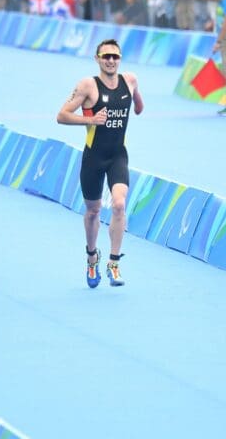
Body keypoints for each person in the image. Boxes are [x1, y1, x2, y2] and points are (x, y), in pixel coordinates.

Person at [56, 39, 144, 288]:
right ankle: (92, 257)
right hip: (94, 157)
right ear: (97, 59)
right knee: (93, 211)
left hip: (117, 155)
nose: (111, 60)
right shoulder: (88, 86)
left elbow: (138, 106)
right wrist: (91, 119)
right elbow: (61, 115)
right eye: (106, 56)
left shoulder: (130, 80)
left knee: (119, 204)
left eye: (115, 56)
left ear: (120, 59)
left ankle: (114, 264)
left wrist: (136, 103)